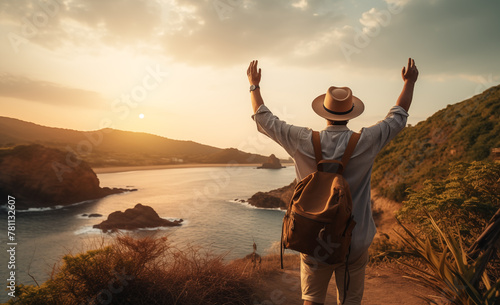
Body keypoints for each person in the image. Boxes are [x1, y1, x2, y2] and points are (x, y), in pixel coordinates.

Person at [247, 58, 419, 305]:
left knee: (312, 300)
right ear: (350, 113)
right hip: (354, 240)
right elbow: (397, 117)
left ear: (323, 111)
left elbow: (265, 119)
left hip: (313, 237)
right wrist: (409, 83)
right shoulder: (367, 141)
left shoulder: (302, 140)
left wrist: (254, 86)